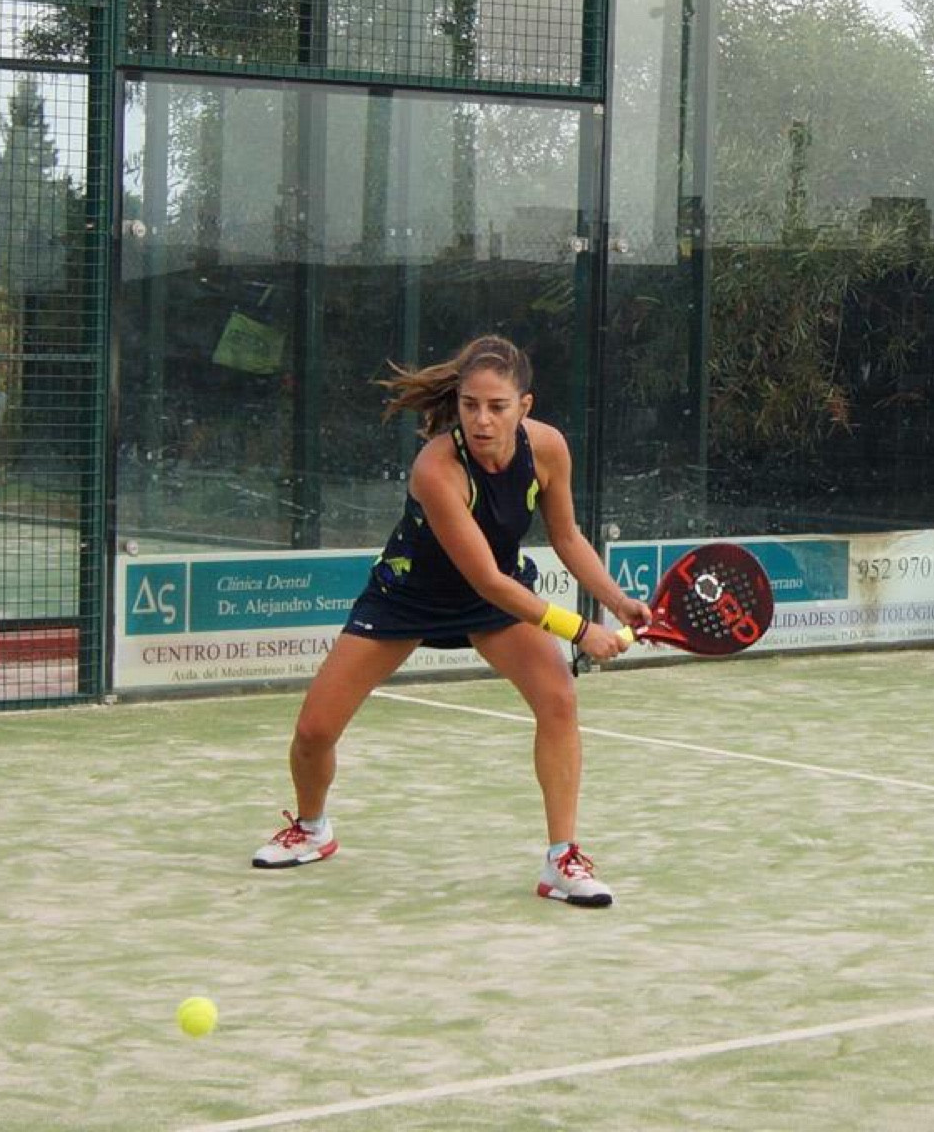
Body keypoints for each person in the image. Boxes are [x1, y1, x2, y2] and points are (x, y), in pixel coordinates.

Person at [252, 336, 649, 908]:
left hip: (497, 597)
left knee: (558, 699)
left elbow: (566, 537)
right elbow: (484, 578)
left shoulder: (548, 449)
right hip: (409, 596)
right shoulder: (436, 468)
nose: (482, 420)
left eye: (497, 407)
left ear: (524, 406)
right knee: (314, 731)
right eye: (470, 405)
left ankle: (562, 859)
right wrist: (580, 630)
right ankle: (312, 829)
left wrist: (616, 600)